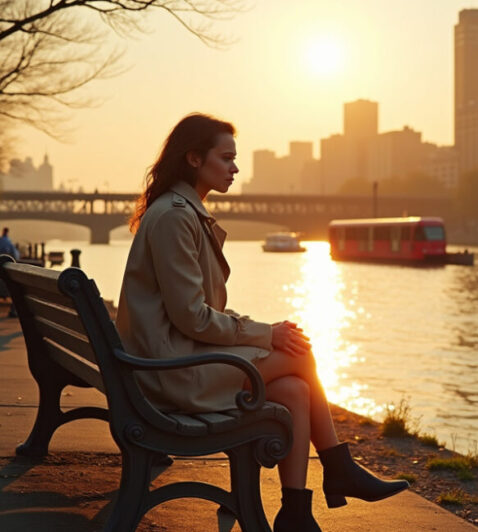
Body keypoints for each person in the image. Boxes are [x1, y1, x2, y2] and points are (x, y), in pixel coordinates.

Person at [116, 114, 406, 531]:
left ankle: (296, 511)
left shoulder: (181, 213)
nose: (235, 168)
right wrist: (267, 334)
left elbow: (195, 312)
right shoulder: (177, 217)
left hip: (170, 360)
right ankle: (338, 469)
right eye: (227, 157)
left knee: (293, 388)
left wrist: (265, 331)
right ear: (195, 158)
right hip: (169, 373)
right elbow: (192, 317)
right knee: (301, 355)